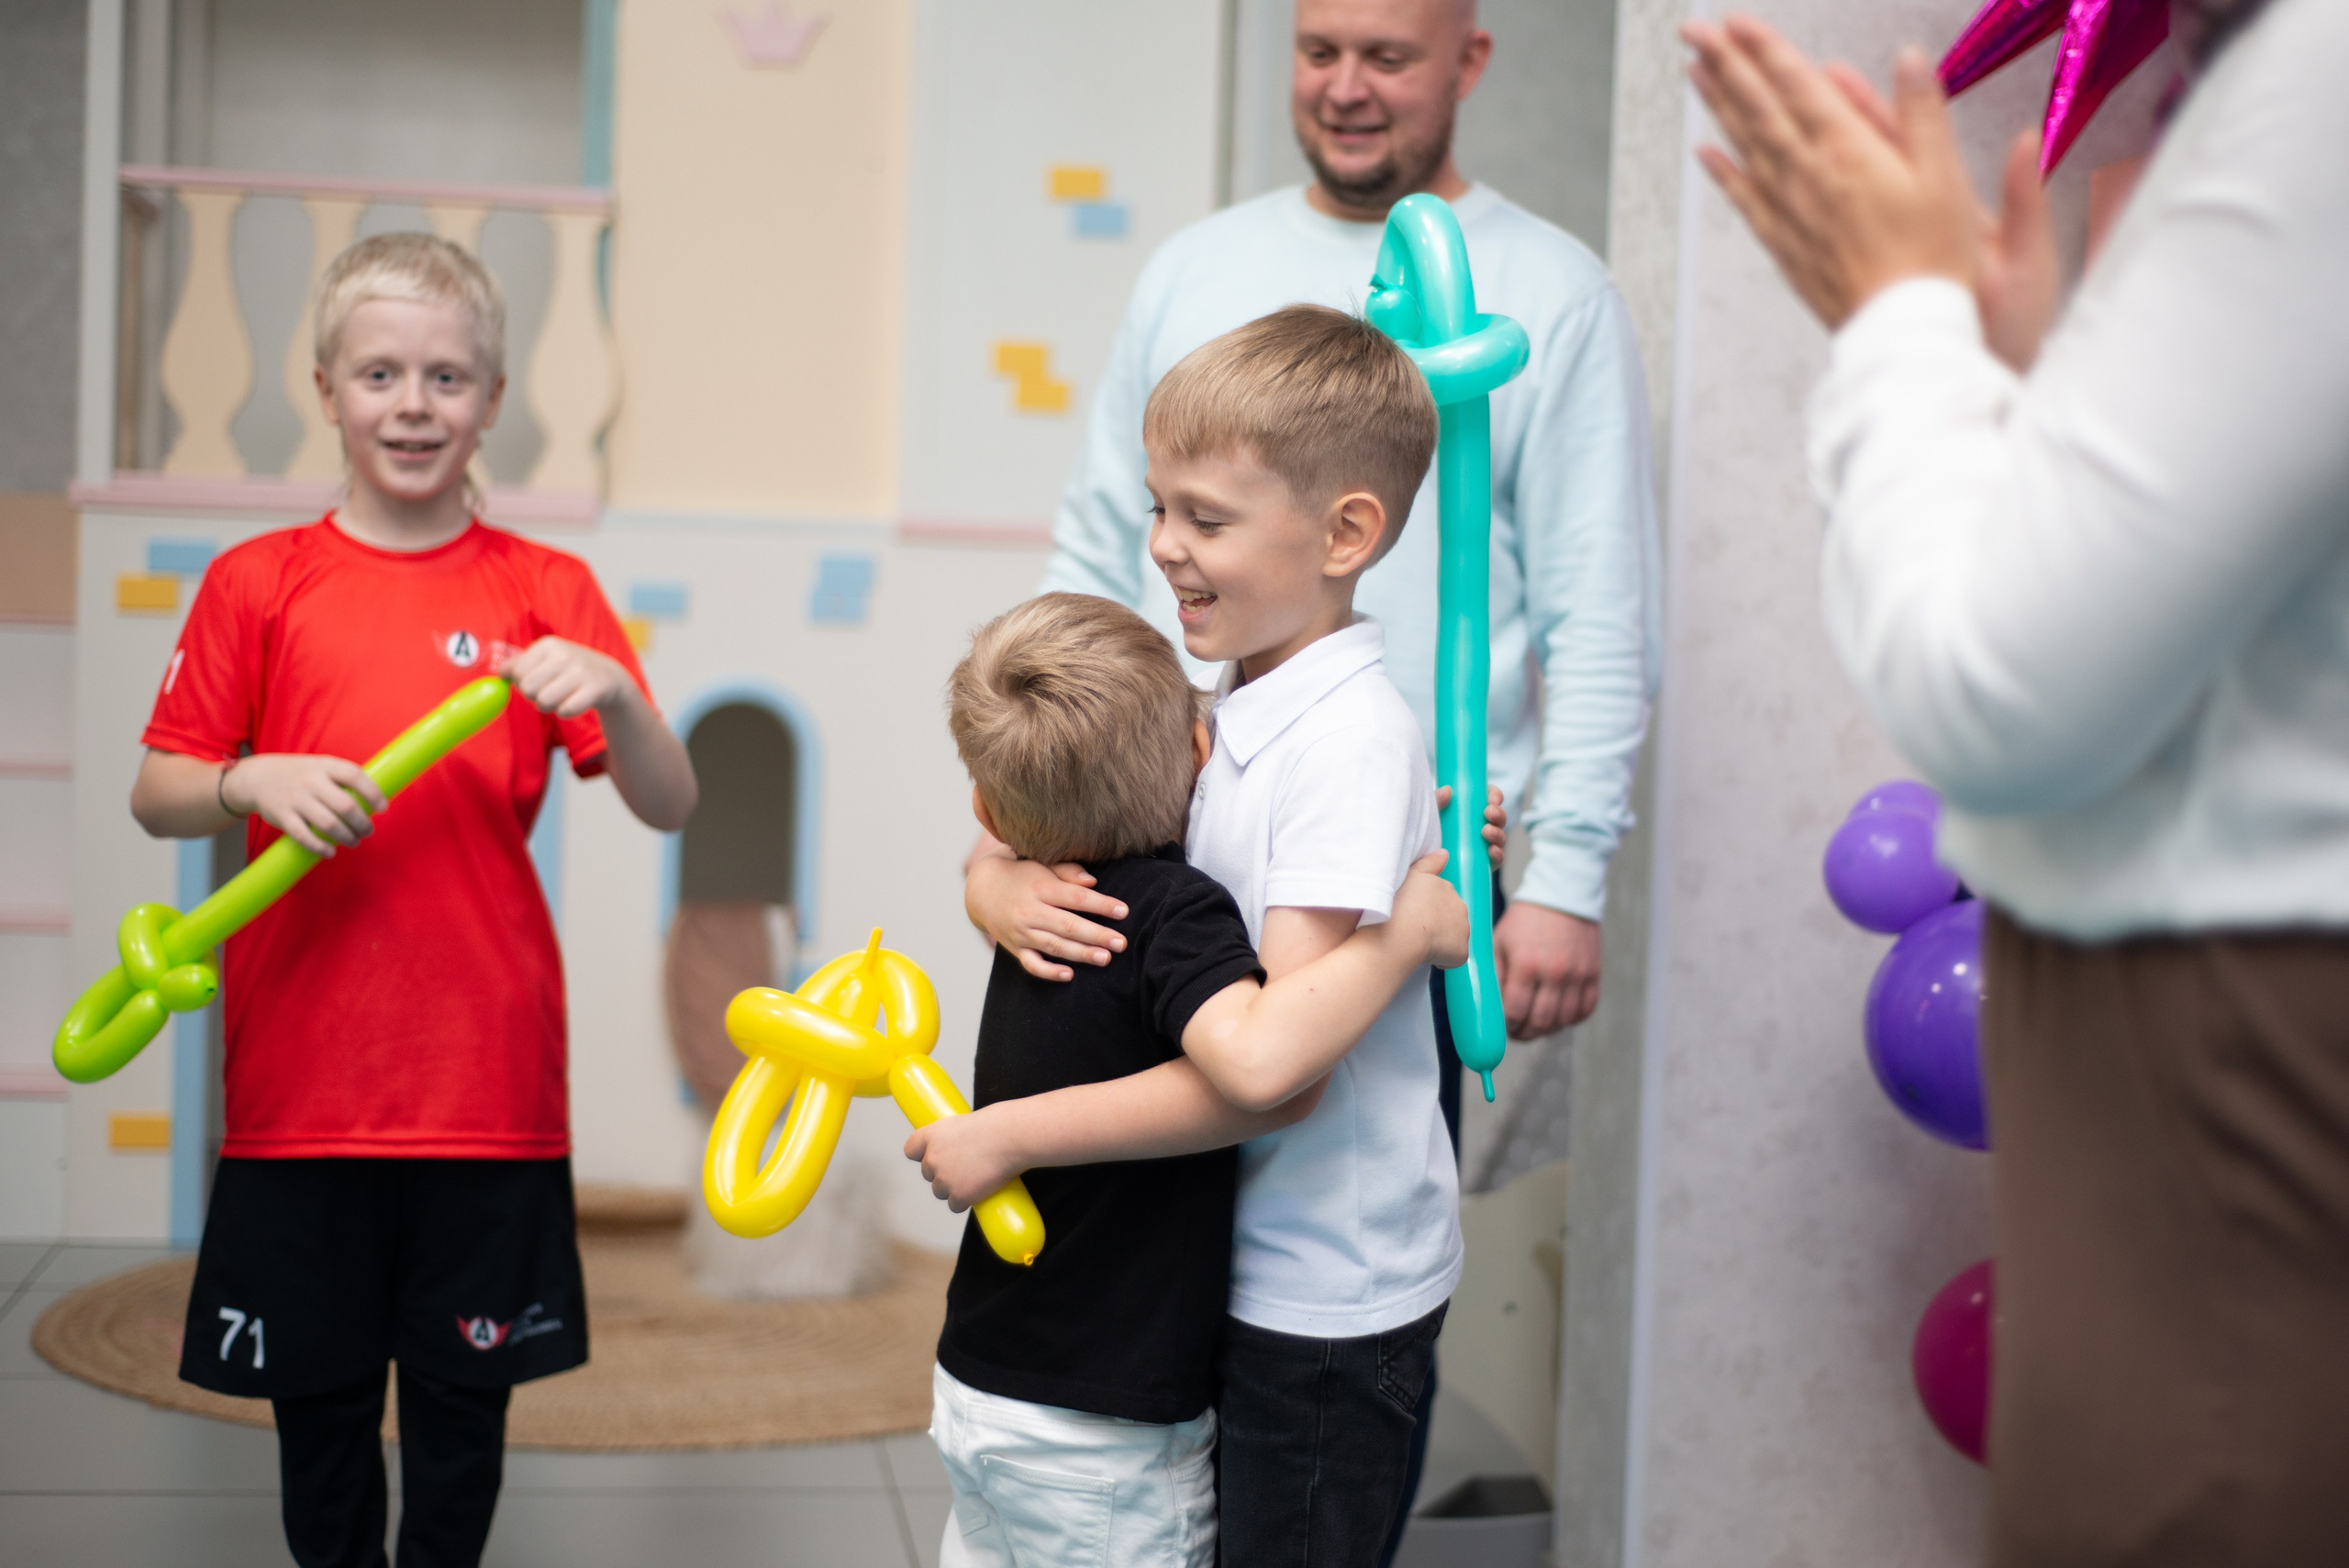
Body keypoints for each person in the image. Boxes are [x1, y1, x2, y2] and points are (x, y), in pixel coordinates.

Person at [1682, 0, 2349, 1561]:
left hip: (2229, 1084)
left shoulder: (2320, 85)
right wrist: (2017, 385)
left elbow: (1992, 697)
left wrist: (1894, 321)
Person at [129, 233, 696, 1568]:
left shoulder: (546, 593)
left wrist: (615, 692)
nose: (413, 404)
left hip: (483, 1090)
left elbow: (667, 803)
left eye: (448, 377)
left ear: (494, 399)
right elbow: (160, 787)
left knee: (460, 1423)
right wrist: (248, 777)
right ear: (325, 387)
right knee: (317, 1419)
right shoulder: (259, 584)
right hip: (299, 1090)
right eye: (379, 372)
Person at [978, 0, 1661, 1051]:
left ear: (1468, 61)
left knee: (1351, 1166)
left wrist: (1565, 880)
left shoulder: (1559, 294)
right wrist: (1022, 820)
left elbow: (1600, 612)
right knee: (1179, 1180)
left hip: (1409, 850)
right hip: (1177, 819)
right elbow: (1093, 555)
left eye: (1386, 58)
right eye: (1319, 52)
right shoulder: (1191, 267)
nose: (1345, 87)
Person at [948, 306, 1464, 1564]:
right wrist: (994, 879)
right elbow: (1069, 800)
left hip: (1319, 1295)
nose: (1168, 549)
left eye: (1207, 520)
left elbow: (1272, 1071)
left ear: (1346, 533)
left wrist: (1012, 1135)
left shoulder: (1344, 738)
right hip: (1233, 1262)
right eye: (1158, 509)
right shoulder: (1244, 686)